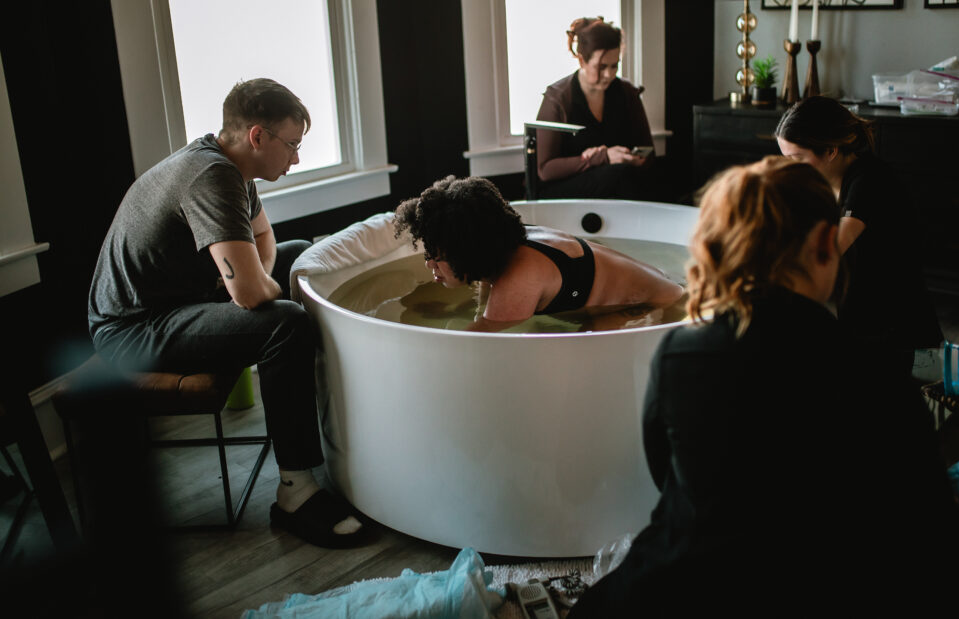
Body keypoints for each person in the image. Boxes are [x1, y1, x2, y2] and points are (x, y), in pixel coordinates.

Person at [567, 158, 959, 615]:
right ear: (823, 244)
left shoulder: (680, 353)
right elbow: (930, 518)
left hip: (687, 577)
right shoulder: (874, 370)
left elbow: (665, 472)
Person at [88, 78, 362, 548]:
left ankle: (323, 407)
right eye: (292, 145)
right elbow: (254, 296)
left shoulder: (232, 168)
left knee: (302, 254)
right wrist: (260, 287)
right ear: (258, 137)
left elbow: (266, 241)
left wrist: (260, 282)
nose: (296, 159)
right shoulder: (210, 176)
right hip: (132, 329)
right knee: (286, 324)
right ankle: (297, 491)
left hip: (178, 301)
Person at [775, 95, 942, 379]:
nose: (791, 169)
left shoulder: (870, 181)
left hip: (905, 341)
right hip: (865, 327)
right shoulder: (828, 182)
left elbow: (827, 251)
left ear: (829, 150)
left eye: (797, 159)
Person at [392, 175, 684, 330]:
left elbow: (476, 342)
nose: (429, 262)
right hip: (664, 286)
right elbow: (486, 311)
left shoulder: (521, 275)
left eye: (436, 254)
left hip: (658, 306)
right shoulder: (499, 247)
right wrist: (456, 311)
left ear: (467, 250)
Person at [534, 16, 672, 201]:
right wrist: (602, 157)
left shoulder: (627, 92)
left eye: (614, 66)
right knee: (621, 175)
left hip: (618, 182)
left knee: (650, 178)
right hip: (563, 190)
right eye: (601, 67)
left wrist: (632, 157)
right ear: (582, 61)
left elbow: (647, 151)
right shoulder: (558, 98)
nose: (609, 74)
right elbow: (545, 170)